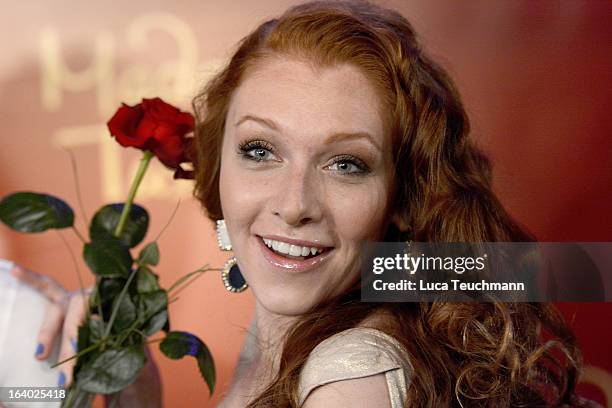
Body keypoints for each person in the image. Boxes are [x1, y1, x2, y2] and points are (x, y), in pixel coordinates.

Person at [11, 1, 593, 406]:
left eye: (346, 164)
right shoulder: (297, 328)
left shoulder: (350, 378)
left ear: (400, 197)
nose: (294, 205)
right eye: (261, 150)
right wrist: (126, 389)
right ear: (216, 166)